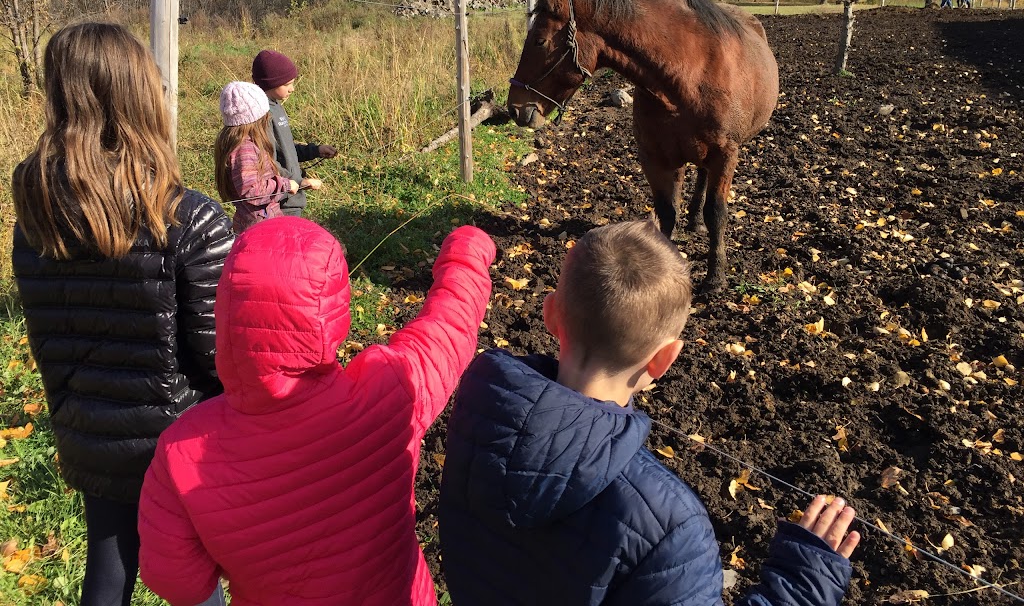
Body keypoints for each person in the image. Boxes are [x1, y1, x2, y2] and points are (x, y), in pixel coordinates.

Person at [439, 220, 860, 606]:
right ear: (664, 359)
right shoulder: (673, 527)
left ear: (551, 314)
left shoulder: (482, 412)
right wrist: (802, 586)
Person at [138, 217, 496, 606]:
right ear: (333, 310)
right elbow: (449, 326)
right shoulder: (389, 390)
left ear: (225, 308)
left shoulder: (180, 451)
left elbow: (175, 580)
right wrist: (468, 249)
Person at [11, 21, 232, 606]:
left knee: (107, 571)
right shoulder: (192, 220)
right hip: (182, 445)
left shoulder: (35, 221)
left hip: (88, 433)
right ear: (141, 96)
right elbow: (220, 357)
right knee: (198, 578)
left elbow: (45, 341)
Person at [215, 80, 320, 233]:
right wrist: (285, 185)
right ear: (255, 117)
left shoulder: (242, 142)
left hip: (260, 219)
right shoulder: (245, 149)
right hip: (261, 226)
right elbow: (252, 190)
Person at [252, 49, 337, 217]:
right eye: (287, 84)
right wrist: (299, 182)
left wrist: (316, 150)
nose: (292, 89)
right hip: (281, 202)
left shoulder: (276, 107)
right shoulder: (263, 115)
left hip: (291, 196)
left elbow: (285, 149)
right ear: (270, 83)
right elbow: (268, 161)